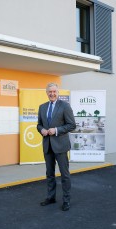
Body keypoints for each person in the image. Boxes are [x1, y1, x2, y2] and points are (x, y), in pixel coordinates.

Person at [37, 83, 76, 211]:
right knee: (49, 174)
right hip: (47, 145)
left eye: (54, 91)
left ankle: (66, 200)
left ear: (58, 92)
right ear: (46, 93)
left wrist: (57, 130)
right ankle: (51, 197)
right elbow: (39, 125)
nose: (52, 94)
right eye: (50, 92)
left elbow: (71, 125)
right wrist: (41, 129)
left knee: (64, 175)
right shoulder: (42, 107)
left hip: (61, 146)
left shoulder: (65, 106)